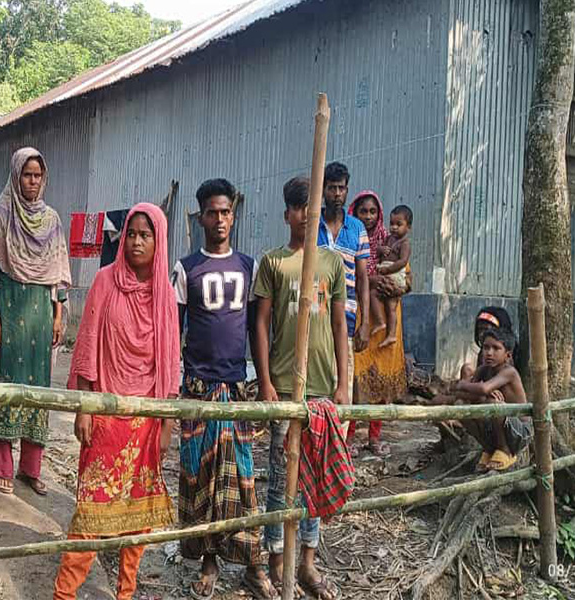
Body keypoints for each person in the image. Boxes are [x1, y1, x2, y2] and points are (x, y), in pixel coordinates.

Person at [54, 203, 178, 600]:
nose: (137, 242)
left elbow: (170, 363)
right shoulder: (106, 282)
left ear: (158, 241)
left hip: (145, 419)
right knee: (91, 511)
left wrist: (166, 424)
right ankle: (65, 593)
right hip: (106, 417)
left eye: (146, 235)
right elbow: (88, 343)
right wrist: (85, 406)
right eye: (132, 234)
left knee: (137, 515)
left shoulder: (165, 294)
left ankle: (127, 591)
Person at [172, 179, 272, 600]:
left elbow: (258, 328)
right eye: (212, 212)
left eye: (226, 212)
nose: (219, 220)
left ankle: (253, 564)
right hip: (197, 388)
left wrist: (264, 381)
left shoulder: (249, 267)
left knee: (242, 479)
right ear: (200, 217)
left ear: (234, 215)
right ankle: (208, 562)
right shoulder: (186, 268)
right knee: (200, 478)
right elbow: (174, 332)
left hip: (234, 389)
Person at [253, 177, 348, 600]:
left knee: (312, 477)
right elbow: (261, 323)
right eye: (298, 210)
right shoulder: (274, 262)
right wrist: (266, 382)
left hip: (322, 385)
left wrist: (345, 382)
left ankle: (307, 562)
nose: (305, 217)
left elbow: (340, 323)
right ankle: (276, 560)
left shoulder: (331, 263)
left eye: (312, 211)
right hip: (286, 383)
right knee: (279, 477)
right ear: (288, 213)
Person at [0, 147, 71, 497]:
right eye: (27, 175)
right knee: (3, 387)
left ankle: (31, 468)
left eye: (37, 176)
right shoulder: (3, 215)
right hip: (10, 310)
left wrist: (58, 315)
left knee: (38, 391)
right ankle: (1, 466)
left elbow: (59, 274)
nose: (32, 182)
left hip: (40, 315)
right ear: (16, 176)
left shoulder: (52, 220)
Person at [347, 192, 409, 457]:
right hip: (361, 314)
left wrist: (397, 284)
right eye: (364, 212)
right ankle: (348, 437)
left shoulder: (390, 239)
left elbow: (407, 276)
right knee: (355, 378)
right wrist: (370, 281)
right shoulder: (350, 239)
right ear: (355, 213)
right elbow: (349, 274)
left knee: (381, 378)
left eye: (373, 211)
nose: (369, 216)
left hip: (388, 315)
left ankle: (374, 437)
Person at [318, 162, 369, 408]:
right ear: (323, 190)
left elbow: (362, 279)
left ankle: (337, 444)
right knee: (316, 390)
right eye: (331, 188)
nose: (337, 194)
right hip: (316, 319)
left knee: (343, 386)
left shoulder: (357, 228)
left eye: (341, 188)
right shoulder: (311, 225)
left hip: (347, 321)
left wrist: (365, 321)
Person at [451, 328, 530, 472]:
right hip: (497, 429)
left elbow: (483, 389)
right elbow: (462, 395)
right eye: (486, 347)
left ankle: (505, 451)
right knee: (460, 406)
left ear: (507, 355)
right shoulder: (483, 370)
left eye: (496, 348)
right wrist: (478, 392)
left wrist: (463, 384)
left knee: (494, 405)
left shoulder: (509, 372)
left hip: (519, 433)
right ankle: (489, 449)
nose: (489, 352)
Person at [371, 205, 412, 348]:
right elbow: (378, 251)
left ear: (408, 227)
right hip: (387, 271)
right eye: (392, 224)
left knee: (385, 302)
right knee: (382, 300)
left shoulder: (404, 243)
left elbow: (402, 261)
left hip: (395, 275)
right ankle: (385, 328)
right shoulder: (388, 238)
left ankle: (387, 330)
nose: (394, 227)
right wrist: (381, 249)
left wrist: (388, 270)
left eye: (399, 224)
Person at [460, 306, 516, 380]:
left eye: (486, 329)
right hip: (487, 386)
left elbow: (487, 386)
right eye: (480, 329)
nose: (481, 334)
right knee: (466, 369)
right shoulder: (483, 352)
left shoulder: (507, 358)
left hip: (496, 386)